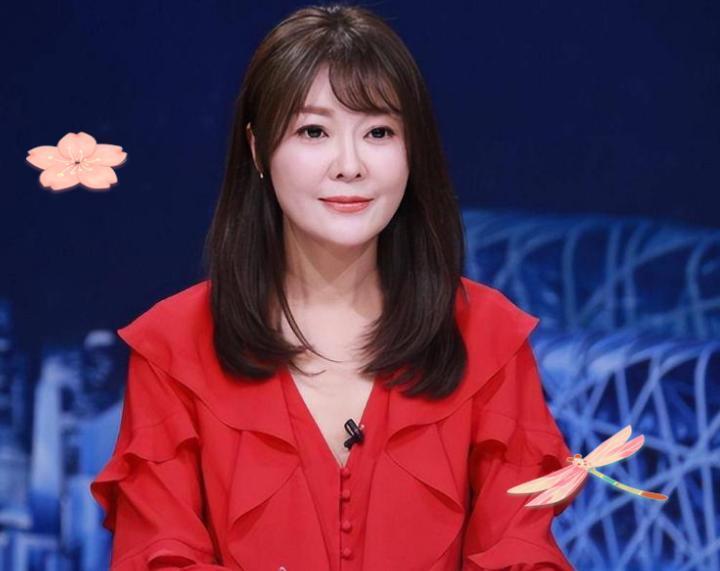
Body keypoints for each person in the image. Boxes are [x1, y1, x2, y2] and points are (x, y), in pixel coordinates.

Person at [90, 4, 581, 570]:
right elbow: (160, 555)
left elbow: (518, 552)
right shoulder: (174, 349)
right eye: (314, 131)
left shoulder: (487, 338)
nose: (349, 165)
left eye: (378, 132)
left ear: (412, 150)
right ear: (257, 149)